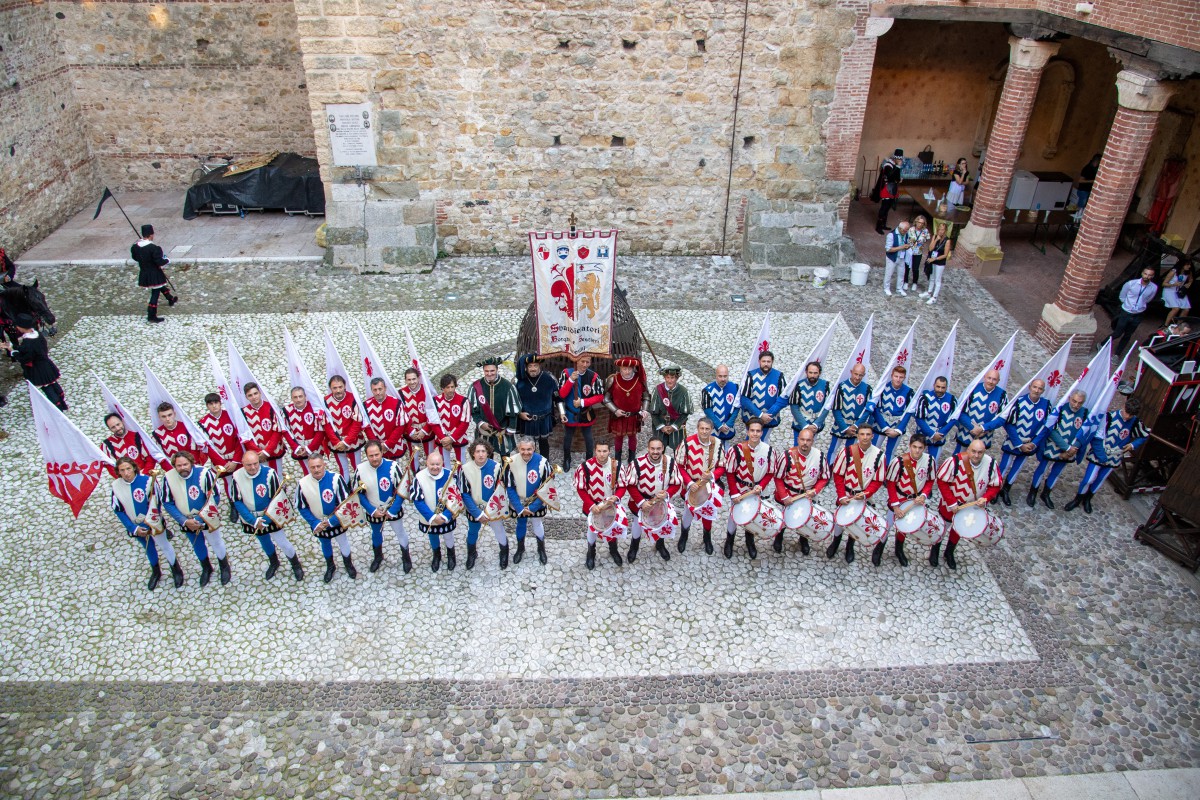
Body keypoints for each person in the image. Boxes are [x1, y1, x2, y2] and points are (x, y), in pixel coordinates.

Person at [229, 449, 304, 582]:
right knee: (264, 542)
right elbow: (237, 501)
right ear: (242, 464)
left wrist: (267, 519)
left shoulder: (269, 473)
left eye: (255, 464)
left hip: (270, 516)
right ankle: (274, 562)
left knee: (283, 542)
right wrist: (253, 521)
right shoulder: (236, 477)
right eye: (249, 465)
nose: (253, 467)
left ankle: (295, 564)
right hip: (252, 519)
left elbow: (277, 498)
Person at [110, 456, 184, 590]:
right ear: (118, 472)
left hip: (153, 521)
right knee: (148, 547)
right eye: (122, 470)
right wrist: (132, 528)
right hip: (136, 526)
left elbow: (158, 501)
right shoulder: (116, 487)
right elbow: (118, 510)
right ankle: (156, 571)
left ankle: (176, 569)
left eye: (128, 468)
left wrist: (152, 518)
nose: (126, 473)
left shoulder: (148, 481)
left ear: (133, 467)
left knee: (164, 545)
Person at [160, 451, 230, 587]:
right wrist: (184, 521)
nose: (182, 468)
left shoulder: (205, 473)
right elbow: (167, 502)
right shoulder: (168, 478)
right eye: (179, 465)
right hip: (186, 520)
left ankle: (224, 566)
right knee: (197, 544)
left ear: (191, 462)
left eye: (185, 464)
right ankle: (206, 567)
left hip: (207, 517)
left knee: (216, 542)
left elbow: (214, 496)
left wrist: (199, 517)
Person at [1066, 398, 1148, 513]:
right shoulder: (1108, 417)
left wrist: (1133, 445)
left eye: (1131, 415)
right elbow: (1096, 437)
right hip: (1099, 453)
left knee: (1100, 479)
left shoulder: (1135, 422)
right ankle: (1078, 498)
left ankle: (1088, 499)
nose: (1127, 416)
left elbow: (1145, 434)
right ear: (1123, 407)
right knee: (1089, 479)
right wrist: (1102, 456)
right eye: (1126, 412)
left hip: (1115, 456)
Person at [935, 438, 1002, 570]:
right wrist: (951, 502)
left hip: (971, 506)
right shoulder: (954, 461)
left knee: (959, 529)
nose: (976, 455)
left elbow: (995, 485)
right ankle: (935, 550)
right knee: (942, 527)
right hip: (951, 505)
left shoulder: (991, 464)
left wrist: (986, 498)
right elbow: (942, 481)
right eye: (973, 451)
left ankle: (949, 552)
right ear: (968, 450)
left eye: (980, 452)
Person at [827, 423, 886, 563]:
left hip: (862, 496)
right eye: (862, 434)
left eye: (868, 434)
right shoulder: (846, 452)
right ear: (857, 435)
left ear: (872, 436)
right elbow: (838, 475)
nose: (865, 437)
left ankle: (850, 546)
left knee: (856, 522)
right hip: (847, 493)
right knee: (839, 521)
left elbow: (877, 480)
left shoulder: (879, 455)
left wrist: (867, 493)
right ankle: (835, 542)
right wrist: (841, 495)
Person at [296, 454, 358, 582]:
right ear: (309, 467)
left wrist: (331, 521)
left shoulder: (336, 479)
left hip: (336, 520)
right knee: (325, 543)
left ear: (324, 465)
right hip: (318, 523)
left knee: (343, 541)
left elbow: (345, 503)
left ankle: (348, 564)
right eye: (313, 467)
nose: (316, 469)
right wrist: (314, 523)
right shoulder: (302, 484)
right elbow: (302, 507)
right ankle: (330, 566)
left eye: (319, 466)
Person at [722, 417, 777, 560]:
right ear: (747, 431)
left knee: (753, 516)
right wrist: (734, 493)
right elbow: (730, 472)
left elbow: (770, 472)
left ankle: (750, 541)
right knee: (734, 517)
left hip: (757, 490)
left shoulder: (769, 451)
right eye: (752, 430)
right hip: (740, 489)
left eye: (758, 431)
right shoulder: (736, 450)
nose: (755, 434)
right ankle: (729, 541)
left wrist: (762, 486)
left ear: (762, 432)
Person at [622, 435, 682, 562]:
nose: (655, 452)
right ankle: (634, 547)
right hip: (641, 503)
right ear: (648, 449)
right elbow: (630, 485)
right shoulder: (636, 464)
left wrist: (667, 494)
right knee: (636, 526)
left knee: (660, 524)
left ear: (663, 448)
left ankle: (660, 545)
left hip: (660, 503)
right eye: (652, 448)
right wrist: (641, 502)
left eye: (658, 449)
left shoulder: (670, 463)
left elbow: (676, 483)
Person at [357, 440, 413, 574]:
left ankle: (406, 556)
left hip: (392, 508)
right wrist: (371, 510)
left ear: (382, 452)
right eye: (371, 456)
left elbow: (402, 490)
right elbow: (359, 494)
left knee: (400, 532)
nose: (374, 458)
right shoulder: (360, 470)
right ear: (366, 455)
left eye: (377, 454)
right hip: (374, 510)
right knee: (376, 533)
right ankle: (378, 556)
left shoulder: (393, 467)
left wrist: (393, 510)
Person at [1028, 390, 1089, 509]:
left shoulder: (1085, 413)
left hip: (1071, 450)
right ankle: (1033, 492)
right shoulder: (1059, 409)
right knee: (1042, 469)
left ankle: (1046, 493)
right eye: (1074, 401)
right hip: (1053, 446)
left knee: (1056, 472)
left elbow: (1084, 432)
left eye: (1079, 403)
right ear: (1069, 398)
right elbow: (1051, 429)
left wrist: (1073, 448)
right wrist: (1066, 447)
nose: (1076, 405)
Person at [773, 427, 829, 556]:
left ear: (812, 441)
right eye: (802, 439)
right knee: (783, 519)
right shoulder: (787, 456)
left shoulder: (820, 456)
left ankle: (803, 539)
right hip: (789, 494)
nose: (805, 443)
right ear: (798, 439)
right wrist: (784, 496)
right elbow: (778, 477)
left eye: (808, 440)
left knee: (806, 519)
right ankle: (779, 536)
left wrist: (815, 491)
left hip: (807, 496)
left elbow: (824, 477)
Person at [675, 417, 726, 554]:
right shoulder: (687, 443)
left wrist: (712, 476)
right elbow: (679, 466)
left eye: (707, 429)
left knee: (707, 513)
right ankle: (684, 536)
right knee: (687, 513)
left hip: (709, 486)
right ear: (697, 428)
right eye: (701, 428)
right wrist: (689, 482)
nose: (704, 431)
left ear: (711, 430)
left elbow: (722, 466)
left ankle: (707, 538)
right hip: (691, 485)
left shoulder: (718, 444)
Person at [997, 378, 1051, 506]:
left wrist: (1034, 443)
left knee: (1017, 468)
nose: (1037, 391)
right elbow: (1009, 424)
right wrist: (1019, 444)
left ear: (1043, 390)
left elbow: (1045, 428)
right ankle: (995, 489)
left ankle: (1006, 489)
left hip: (1030, 444)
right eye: (1035, 387)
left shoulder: (1046, 405)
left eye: (1040, 388)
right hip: (1014, 442)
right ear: (1030, 387)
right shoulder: (1019, 402)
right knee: (1004, 466)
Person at [884, 434, 935, 567]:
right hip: (898, 498)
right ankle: (880, 547)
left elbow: (930, 480)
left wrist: (924, 495)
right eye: (914, 447)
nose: (917, 451)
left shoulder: (930, 461)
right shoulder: (898, 462)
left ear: (924, 448)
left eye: (920, 448)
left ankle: (899, 549)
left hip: (914, 500)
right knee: (888, 525)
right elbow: (891, 484)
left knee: (904, 528)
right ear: (909, 446)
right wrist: (895, 506)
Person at [458, 439, 510, 569]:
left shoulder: (497, 467)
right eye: (477, 451)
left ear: (488, 453)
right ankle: (472, 553)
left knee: (499, 530)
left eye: (483, 451)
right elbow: (464, 494)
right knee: (473, 532)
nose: (481, 454)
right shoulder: (464, 469)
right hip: (474, 509)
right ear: (473, 453)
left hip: (492, 508)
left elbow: (501, 490)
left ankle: (504, 553)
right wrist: (477, 513)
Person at [575, 441, 625, 569]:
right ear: (595, 451)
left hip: (610, 507)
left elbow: (622, 486)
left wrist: (617, 497)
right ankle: (591, 552)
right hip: (593, 507)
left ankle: (613, 550)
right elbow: (581, 489)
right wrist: (592, 505)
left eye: (604, 451)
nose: (602, 454)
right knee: (592, 531)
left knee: (611, 529)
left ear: (609, 451)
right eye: (599, 451)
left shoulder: (617, 466)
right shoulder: (585, 467)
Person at [1, 313, 67, 410]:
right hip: (46, 364)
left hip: (38, 369)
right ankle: (63, 403)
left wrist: (12, 351)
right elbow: (27, 349)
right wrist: (12, 345)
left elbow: (25, 358)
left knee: (47, 388)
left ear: (21, 327)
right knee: (53, 384)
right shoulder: (37, 335)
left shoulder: (28, 342)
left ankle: (58, 409)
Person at [505, 436, 554, 565]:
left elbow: (547, 487)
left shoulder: (543, 462)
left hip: (536, 503)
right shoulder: (510, 462)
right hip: (519, 504)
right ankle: (520, 549)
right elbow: (509, 487)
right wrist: (520, 508)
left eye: (529, 449)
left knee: (537, 524)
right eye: (523, 449)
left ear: (534, 448)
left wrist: (532, 508)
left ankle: (541, 549)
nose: (526, 452)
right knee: (520, 524)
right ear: (518, 449)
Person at [198, 391, 244, 521]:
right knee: (228, 483)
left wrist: (235, 460)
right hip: (220, 461)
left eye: (216, 403)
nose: (214, 406)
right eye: (211, 404)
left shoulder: (231, 416)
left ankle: (246, 501)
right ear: (207, 406)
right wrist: (222, 463)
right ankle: (233, 505)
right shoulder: (203, 424)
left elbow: (239, 439)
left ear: (220, 403)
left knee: (242, 479)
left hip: (237, 458)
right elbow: (207, 447)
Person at [411, 449, 459, 572]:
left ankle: (451, 555)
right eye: (432, 464)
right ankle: (436, 555)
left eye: (438, 464)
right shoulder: (419, 477)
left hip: (445, 516)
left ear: (442, 463)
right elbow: (418, 500)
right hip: (430, 517)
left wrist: (445, 516)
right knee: (433, 536)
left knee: (448, 535)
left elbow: (455, 499)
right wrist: (432, 517)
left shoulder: (450, 475)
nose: (435, 467)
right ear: (427, 463)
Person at [557, 353, 604, 468]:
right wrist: (571, 380)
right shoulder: (566, 373)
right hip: (570, 412)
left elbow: (600, 396)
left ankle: (589, 460)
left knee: (588, 438)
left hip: (585, 413)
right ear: (576, 361)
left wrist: (583, 402)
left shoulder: (593, 376)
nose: (585, 364)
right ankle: (566, 459)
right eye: (582, 361)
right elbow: (562, 394)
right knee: (568, 437)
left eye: (587, 362)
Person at [471, 357, 521, 458]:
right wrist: (480, 423)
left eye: (492, 371)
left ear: (497, 370)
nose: (489, 374)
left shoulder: (508, 387)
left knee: (505, 458)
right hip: (484, 432)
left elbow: (513, 412)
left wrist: (511, 428)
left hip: (502, 430)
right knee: (485, 458)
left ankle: (504, 474)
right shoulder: (476, 387)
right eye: (486, 371)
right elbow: (473, 410)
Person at [605, 356, 650, 465]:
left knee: (633, 437)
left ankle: (631, 457)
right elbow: (606, 398)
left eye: (629, 368)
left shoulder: (639, 380)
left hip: (634, 416)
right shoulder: (613, 379)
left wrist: (644, 410)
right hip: (619, 416)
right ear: (620, 368)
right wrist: (615, 410)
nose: (627, 371)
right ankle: (618, 458)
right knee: (618, 437)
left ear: (633, 368)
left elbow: (646, 397)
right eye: (624, 369)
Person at [131, 224, 177, 323]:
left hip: (144, 272)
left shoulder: (135, 247)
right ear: (151, 235)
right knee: (155, 293)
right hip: (154, 273)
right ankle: (151, 315)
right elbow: (160, 261)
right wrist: (167, 260)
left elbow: (135, 257)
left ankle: (170, 299)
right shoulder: (154, 248)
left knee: (160, 287)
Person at [516, 354, 558, 461]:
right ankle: (529, 463)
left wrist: (562, 413)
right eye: (530, 366)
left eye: (535, 366)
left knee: (544, 443)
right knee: (528, 444)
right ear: (526, 367)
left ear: (539, 365)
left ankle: (545, 464)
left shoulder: (549, 379)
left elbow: (558, 398)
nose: (533, 369)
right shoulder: (519, 381)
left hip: (544, 419)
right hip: (527, 419)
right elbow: (513, 402)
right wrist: (519, 413)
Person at [954, 369, 1006, 454]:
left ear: (998, 381)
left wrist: (983, 428)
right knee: (959, 458)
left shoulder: (1002, 395)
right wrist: (973, 428)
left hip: (985, 435)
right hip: (966, 433)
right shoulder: (973, 389)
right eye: (989, 378)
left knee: (977, 461)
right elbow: (961, 411)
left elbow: (1001, 418)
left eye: (994, 379)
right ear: (984, 377)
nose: (991, 381)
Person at [828, 363, 872, 463]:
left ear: (864, 375)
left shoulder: (867, 389)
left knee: (851, 451)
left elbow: (867, 411)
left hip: (855, 427)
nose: (857, 377)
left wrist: (856, 425)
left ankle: (846, 470)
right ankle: (829, 469)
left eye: (860, 375)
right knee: (833, 449)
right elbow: (836, 409)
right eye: (855, 374)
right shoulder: (842, 386)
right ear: (851, 372)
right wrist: (844, 427)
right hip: (840, 425)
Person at [324, 375, 366, 477]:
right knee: (343, 469)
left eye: (340, 387)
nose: (338, 390)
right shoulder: (325, 401)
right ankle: (346, 490)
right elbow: (326, 424)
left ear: (344, 386)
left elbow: (357, 423)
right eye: (335, 388)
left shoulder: (353, 398)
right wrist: (337, 442)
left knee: (357, 468)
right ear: (330, 388)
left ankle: (361, 488)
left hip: (353, 441)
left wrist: (347, 441)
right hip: (336, 443)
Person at [1112, 267, 1159, 355]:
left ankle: (1117, 354)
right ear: (1142, 273)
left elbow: (1149, 299)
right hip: (1126, 312)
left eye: (1149, 275)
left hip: (1138, 314)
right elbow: (1122, 296)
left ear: (1152, 276)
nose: (1147, 276)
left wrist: (1140, 306)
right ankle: (1103, 344)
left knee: (1127, 335)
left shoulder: (1153, 288)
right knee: (1117, 333)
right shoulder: (1131, 284)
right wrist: (1128, 304)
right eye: (1145, 274)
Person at [241, 383, 287, 474]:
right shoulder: (243, 413)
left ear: (260, 393)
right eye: (250, 395)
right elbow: (245, 436)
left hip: (274, 450)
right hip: (256, 454)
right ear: (246, 397)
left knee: (277, 475)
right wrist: (258, 452)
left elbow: (277, 431)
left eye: (255, 393)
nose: (254, 397)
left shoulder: (271, 407)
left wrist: (267, 451)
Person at [872, 365, 915, 461]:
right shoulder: (883, 388)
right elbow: (876, 409)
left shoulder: (909, 392)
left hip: (897, 426)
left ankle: (887, 472)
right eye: (896, 376)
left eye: (901, 377)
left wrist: (899, 429)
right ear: (892, 375)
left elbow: (908, 412)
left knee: (890, 453)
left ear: (904, 377)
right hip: (881, 424)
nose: (898, 379)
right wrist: (885, 427)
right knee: (874, 451)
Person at [284, 386, 329, 476]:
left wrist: (309, 448)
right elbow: (286, 432)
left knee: (318, 470)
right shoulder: (286, 411)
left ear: (305, 396)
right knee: (307, 472)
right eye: (295, 397)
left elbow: (320, 431)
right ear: (291, 398)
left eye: (300, 396)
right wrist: (296, 447)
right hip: (299, 448)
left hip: (315, 446)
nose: (298, 400)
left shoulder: (313, 408)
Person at [740, 350, 787, 436]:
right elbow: (744, 399)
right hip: (752, 417)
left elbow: (783, 399)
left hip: (770, 418)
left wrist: (769, 414)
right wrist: (760, 415)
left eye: (768, 361)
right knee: (750, 440)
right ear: (759, 362)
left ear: (772, 362)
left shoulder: (779, 376)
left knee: (764, 441)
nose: (766, 364)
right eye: (763, 361)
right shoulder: (751, 376)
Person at [363, 377, 409, 462]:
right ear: (371, 390)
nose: (378, 392)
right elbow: (367, 428)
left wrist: (388, 444)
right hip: (376, 449)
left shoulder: (396, 403)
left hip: (395, 445)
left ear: (385, 388)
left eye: (380, 389)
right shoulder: (366, 406)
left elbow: (400, 427)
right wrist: (377, 445)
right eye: (375, 390)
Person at [153, 402, 208, 470]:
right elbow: (160, 456)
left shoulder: (186, 427)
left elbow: (195, 449)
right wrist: (171, 470)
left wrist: (192, 466)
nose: (167, 419)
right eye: (164, 416)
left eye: (170, 415)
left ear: (174, 414)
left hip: (191, 466)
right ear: (159, 418)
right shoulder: (156, 434)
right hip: (173, 469)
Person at [649, 364, 693, 451]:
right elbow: (653, 412)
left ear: (677, 378)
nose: (670, 381)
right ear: (664, 378)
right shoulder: (658, 390)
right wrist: (661, 426)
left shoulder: (683, 392)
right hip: (660, 427)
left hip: (677, 427)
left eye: (672, 378)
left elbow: (685, 413)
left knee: (678, 451)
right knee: (658, 452)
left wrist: (674, 426)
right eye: (668, 377)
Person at [915, 376, 957, 462]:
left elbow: (953, 419)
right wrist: (932, 434)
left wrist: (941, 433)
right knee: (917, 461)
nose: (940, 390)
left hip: (939, 438)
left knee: (933, 463)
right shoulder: (925, 398)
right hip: (922, 436)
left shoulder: (952, 400)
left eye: (943, 387)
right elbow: (919, 418)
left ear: (946, 387)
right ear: (934, 385)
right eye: (938, 387)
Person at [433, 374, 471, 466]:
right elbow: (434, 422)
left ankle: (461, 479)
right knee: (444, 464)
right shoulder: (436, 401)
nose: (450, 390)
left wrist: (452, 438)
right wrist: (444, 439)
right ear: (442, 388)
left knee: (461, 463)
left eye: (452, 387)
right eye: (447, 387)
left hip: (459, 437)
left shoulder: (463, 401)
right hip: (442, 438)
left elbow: (465, 423)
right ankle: (448, 480)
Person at [400, 367, 438, 461]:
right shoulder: (401, 394)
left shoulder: (427, 391)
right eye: (409, 379)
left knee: (431, 457)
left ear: (418, 378)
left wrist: (424, 430)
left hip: (427, 430)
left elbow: (433, 413)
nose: (412, 382)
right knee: (413, 459)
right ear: (405, 380)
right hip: (411, 432)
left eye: (414, 379)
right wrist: (410, 431)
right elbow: (401, 415)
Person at [789, 361, 830, 446]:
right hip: (800, 423)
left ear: (819, 373)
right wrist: (804, 424)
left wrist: (816, 424)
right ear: (806, 372)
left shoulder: (825, 385)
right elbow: (794, 407)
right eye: (810, 372)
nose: (812, 375)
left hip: (815, 423)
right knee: (797, 447)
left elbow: (826, 407)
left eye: (815, 373)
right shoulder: (799, 385)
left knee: (811, 447)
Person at [701, 364, 740, 449]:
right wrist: (719, 425)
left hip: (728, 426)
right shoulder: (708, 390)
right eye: (720, 376)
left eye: (725, 376)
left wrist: (729, 424)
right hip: (714, 428)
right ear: (716, 376)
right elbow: (708, 410)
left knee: (726, 449)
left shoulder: (735, 388)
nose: (723, 379)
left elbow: (736, 407)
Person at [920, 223, 952, 305]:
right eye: (939, 229)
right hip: (932, 260)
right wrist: (936, 239)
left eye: (942, 230)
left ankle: (934, 297)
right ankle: (929, 292)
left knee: (937, 279)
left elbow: (945, 254)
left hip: (939, 262)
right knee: (932, 277)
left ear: (945, 231)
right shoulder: (935, 236)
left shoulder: (947, 241)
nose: (941, 231)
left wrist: (935, 258)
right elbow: (930, 248)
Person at [875, 149, 903, 234]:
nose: (900, 161)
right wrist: (898, 167)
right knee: (884, 208)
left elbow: (896, 177)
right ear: (896, 158)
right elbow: (890, 177)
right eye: (899, 159)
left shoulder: (895, 165)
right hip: (887, 189)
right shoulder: (888, 165)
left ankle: (883, 224)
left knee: (887, 208)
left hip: (892, 189)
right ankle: (878, 226)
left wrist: (899, 179)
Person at [1162, 259, 1193, 327]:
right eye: (1187, 264)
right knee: (1176, 308)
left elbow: (1191, 280)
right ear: (1182, 265)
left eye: (1190, 265)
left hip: (1179, 291)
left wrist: (1188, 284)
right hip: (1169, 290)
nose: (1189, 266)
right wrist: (1173, 284)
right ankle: (1165, 325)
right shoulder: (1173, 272)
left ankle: (1178, 325)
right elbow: (1164, 284)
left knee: (1186, 309)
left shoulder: (1188, 272)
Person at [883, 220, 910, 297]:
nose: (906, 232)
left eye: (907, 230)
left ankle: (899, 288)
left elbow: (906, 243)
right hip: (892, 257)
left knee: (901, 273)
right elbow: (888, 249)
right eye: (905, 230)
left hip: (901, 257)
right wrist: (901, 247)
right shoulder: (891, 235)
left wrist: (908, 246)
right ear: (900, 228)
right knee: (889, 273)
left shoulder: (906, 234)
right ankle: (886, 288)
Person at [904, 216, 930, 293]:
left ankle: (915, 282)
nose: (920, 224)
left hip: (918, 252)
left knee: (915, 268)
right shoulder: (911, 230)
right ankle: (905, 281)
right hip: (909, 251)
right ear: (916, 222)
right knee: (907, 267)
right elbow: (907, 239)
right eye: (919, 222)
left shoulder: (925, 231)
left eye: (922, 223)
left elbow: (926, 239)